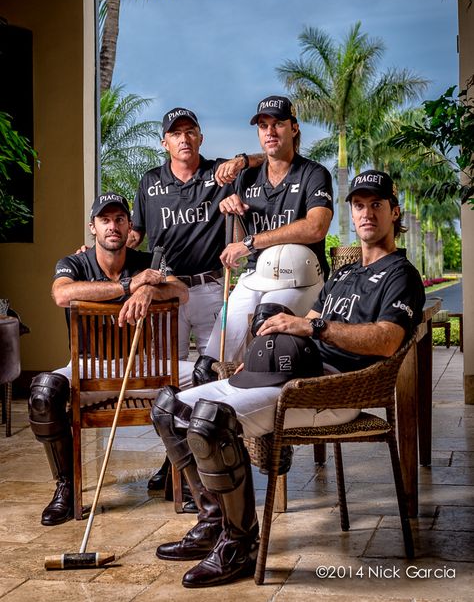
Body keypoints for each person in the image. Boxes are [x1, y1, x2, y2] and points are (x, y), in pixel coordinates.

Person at [150, 169, 425, 588]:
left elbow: (388, 340)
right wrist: (266, 349)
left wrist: (313, 330)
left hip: (330, 388)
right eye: (359, 205)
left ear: (394, 211)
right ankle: (212, 521)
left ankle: (240, 543)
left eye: (377, 205)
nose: (366, 213)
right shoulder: (345, 272)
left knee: (209, 421)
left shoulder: (399, 275)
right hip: (291, 373)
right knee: (169, 408)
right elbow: (315, 317)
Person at [28, 192, 189, 526]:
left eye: (119, 219)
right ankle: (66, 487)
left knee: (206, 375)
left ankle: (181, 471)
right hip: (90, 367)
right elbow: (62, 294)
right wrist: (130, 285)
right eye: (105, 220)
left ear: (130, 226)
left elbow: (181, 291)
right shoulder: (75, 263)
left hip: (145, 369)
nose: (112, 226)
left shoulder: (149, 261)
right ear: (93, 227)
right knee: (43, 394)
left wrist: (149, 289)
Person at [129, 106, 264, 491]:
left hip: (209, 288)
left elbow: (266, 161)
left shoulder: (219, 174)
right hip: (166, 293)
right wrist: (94, 250)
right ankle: (175, 462)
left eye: (191, 131)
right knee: (167, 379)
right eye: (176, 133)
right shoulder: (149, 182)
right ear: (165, 142)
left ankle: (210, 463)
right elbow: (134, 236)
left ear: (200, 138)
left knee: (209, 375)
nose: (184, 138)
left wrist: (240, 160)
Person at [204, 95, 333, 362]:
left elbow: (316, 228)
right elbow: (239, 247)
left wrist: (251, 243)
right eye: (263, 125)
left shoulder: (314, 173)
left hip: (301, 276)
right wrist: (233, 213)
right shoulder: (247, 177)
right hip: (254, 276)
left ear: (294, 128)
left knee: (266, 330)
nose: (270, 132)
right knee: (212, 359)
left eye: (278, 124)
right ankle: (221, 401)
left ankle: (266, 396)